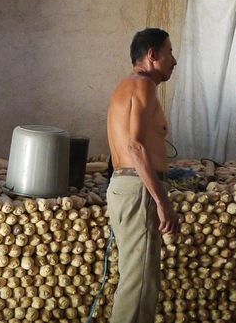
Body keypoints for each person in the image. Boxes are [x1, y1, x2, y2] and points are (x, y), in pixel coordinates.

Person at [105, 27, 180, 323]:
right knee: (139, 291)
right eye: (169, 52)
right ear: (152, 55)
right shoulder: (143, 86)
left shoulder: (128, 86)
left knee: (135, 282)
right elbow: (134, 147)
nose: (174, 60)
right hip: (138, 190)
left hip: (125, 187)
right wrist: (161, 201)